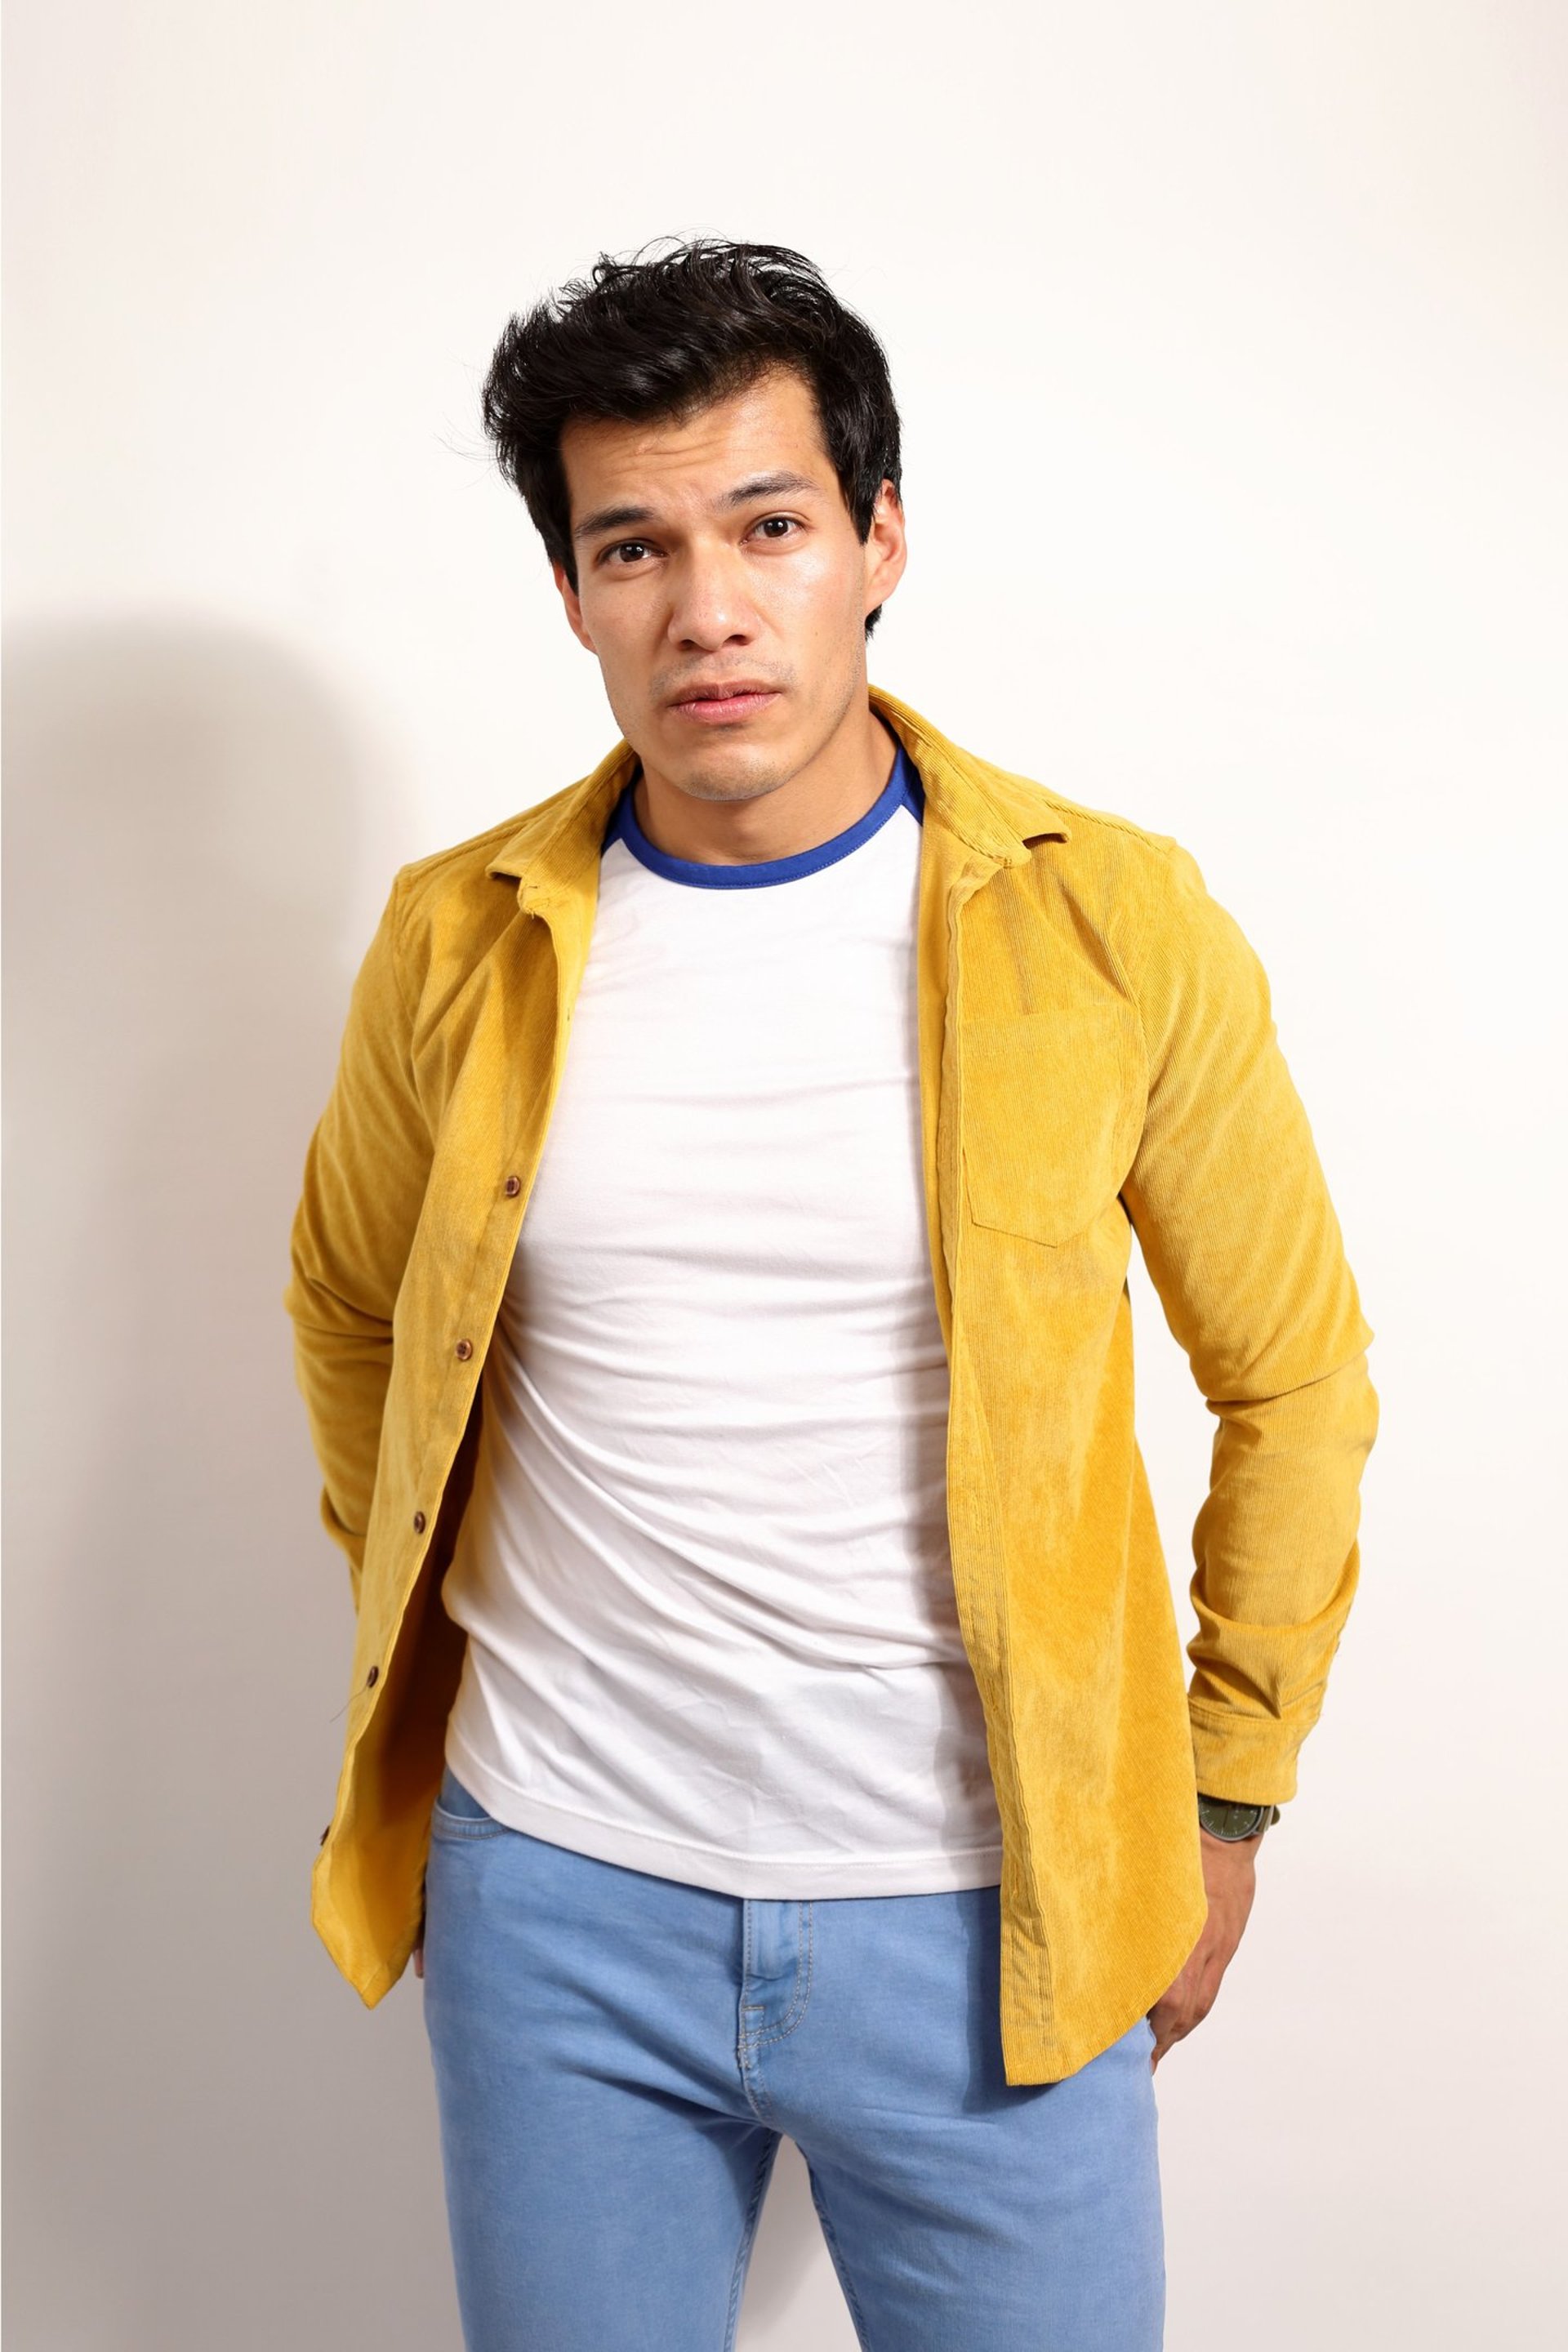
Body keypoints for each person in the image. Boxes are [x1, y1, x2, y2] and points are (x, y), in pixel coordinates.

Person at [284, 237, 1379, 2352]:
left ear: (878, 539)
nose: (707, 608)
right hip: (558, 1902)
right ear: (573, 591)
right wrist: (450, 1599)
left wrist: (1223, 1798)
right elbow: (350, 1308)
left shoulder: (1114, 923)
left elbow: (1296, 1379)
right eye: (635, 546)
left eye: (768, 526)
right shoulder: (458, 940)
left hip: (994, 1914)